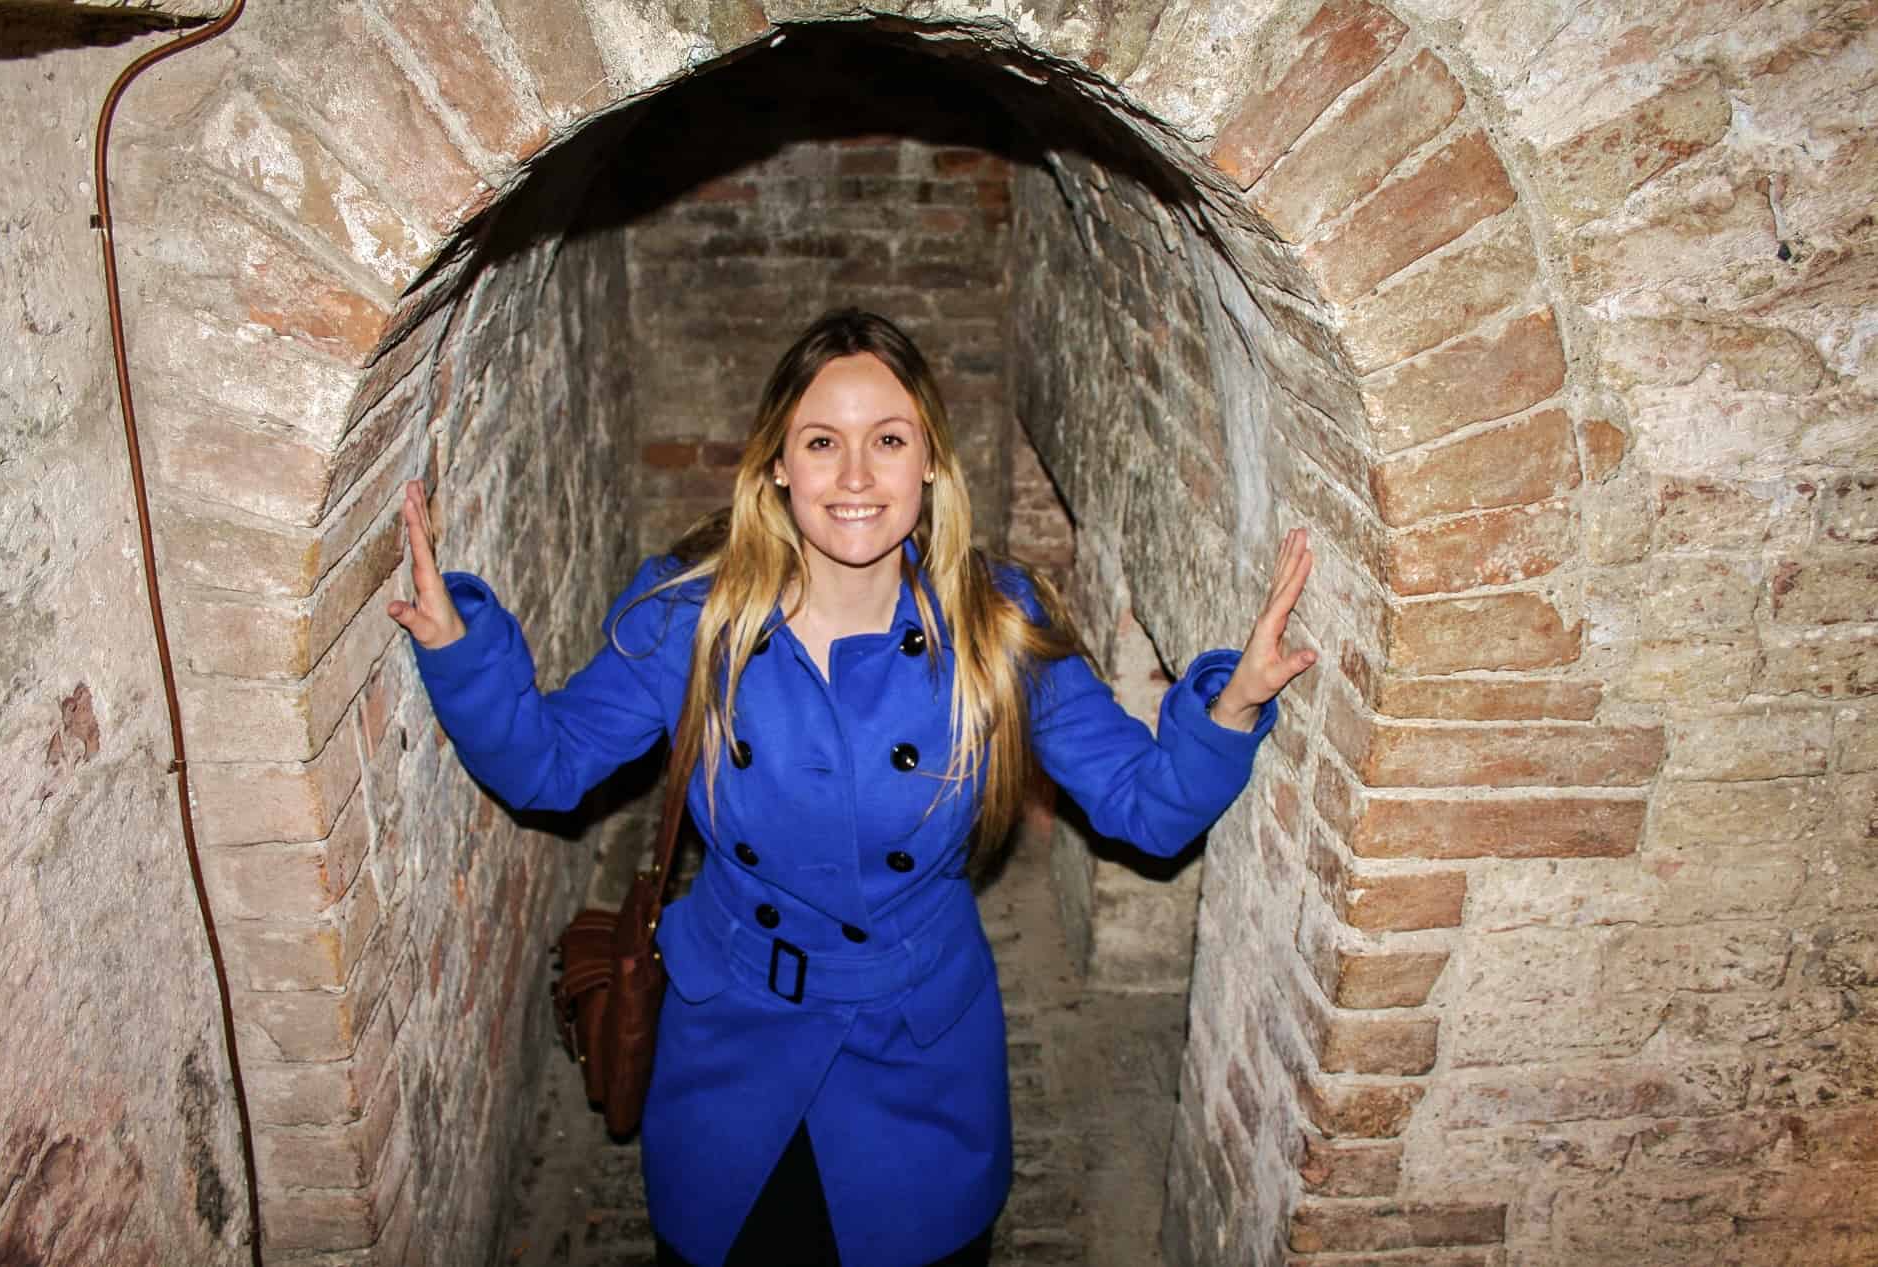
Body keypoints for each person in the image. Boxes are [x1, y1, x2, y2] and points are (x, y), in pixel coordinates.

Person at [388, 309, 1316, 1267]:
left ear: (929, 466)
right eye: (823, 442)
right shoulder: (690, 620)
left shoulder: (995, 627)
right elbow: (545, 765)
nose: (858, 476)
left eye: (889, 440)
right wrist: (460, 650)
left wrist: (1232, 706)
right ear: (779, 464)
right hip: (730, 1036)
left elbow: (1146, 809)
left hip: (915, 1048)